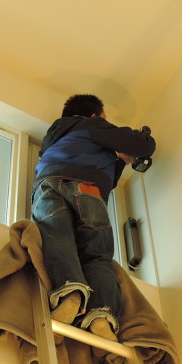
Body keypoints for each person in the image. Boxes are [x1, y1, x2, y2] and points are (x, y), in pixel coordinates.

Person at [31, 94, 156, 341]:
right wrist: (144, 139)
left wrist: (120, 162)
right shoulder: (91, 124)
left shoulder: (51, 141)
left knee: (57, 239)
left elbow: (103, 173)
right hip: (85, 188)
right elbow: (141, 146)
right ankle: (101, 317)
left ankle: (70, 296)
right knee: (96, 254)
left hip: (46, 187)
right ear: (94, 115)